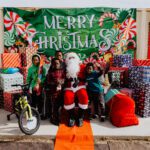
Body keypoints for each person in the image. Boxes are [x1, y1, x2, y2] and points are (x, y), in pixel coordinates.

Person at [64, 52, 88, 127]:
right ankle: (72, 117)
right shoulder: (65, 67)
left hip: (80, 86)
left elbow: (88, 75)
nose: (71, 59)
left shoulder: (82, 66)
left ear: (77, 59)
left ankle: (80, 117)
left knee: (84, 96)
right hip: (69, 87)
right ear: (67, 60)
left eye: (73, 58)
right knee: (67, 97)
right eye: (69, 58)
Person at [45, 58, 65, 125]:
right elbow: (48, 81)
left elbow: (66, 79)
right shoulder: (50, 72)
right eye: (54, 63)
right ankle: (54, 119)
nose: (56, 64)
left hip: (62, 92)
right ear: (52, 64)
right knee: (55, 106)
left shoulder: (63, 71)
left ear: (59, 64)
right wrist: (55, 82)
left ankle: (62, 117)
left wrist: (62, 81)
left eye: (57, 63)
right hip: (54, 92)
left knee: (63, 105)